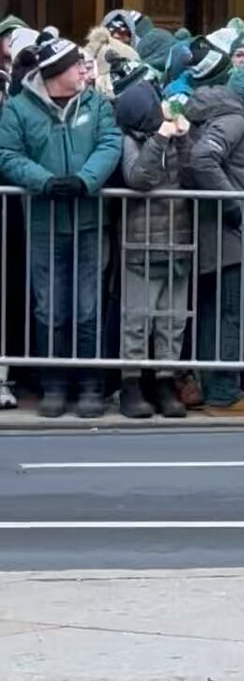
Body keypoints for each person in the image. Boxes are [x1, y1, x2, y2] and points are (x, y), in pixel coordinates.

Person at [0, 37, 122, 417]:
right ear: (55, 73)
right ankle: (53, 383)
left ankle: (89, 385)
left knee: (88, 307)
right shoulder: (19, 109)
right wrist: (45, 182)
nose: (83, 71)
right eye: (75, 66)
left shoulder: (96, 104)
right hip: (44, 221)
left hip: (88, 220)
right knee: (49, 307)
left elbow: (110, 143)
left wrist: (85, 180)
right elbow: (7, 154)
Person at [180, 56, 244, 415]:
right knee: (230, 313)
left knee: (214, 313)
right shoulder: (235, 120)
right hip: (234, 234)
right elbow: (204, 158)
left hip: (217, 233)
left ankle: (213, 385)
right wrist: (232, 204)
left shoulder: (220, 114)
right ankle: (223, 391)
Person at [115, 80, 193, 420]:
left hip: (179, 242)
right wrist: (160, 137)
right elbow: (139, 177)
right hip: (142, 244)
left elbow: (194, 172)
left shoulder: (176, 137)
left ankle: (165, 381)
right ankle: (131, 384)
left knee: (172, 321)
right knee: (137, 319)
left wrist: (185, 136)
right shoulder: (131, 141)